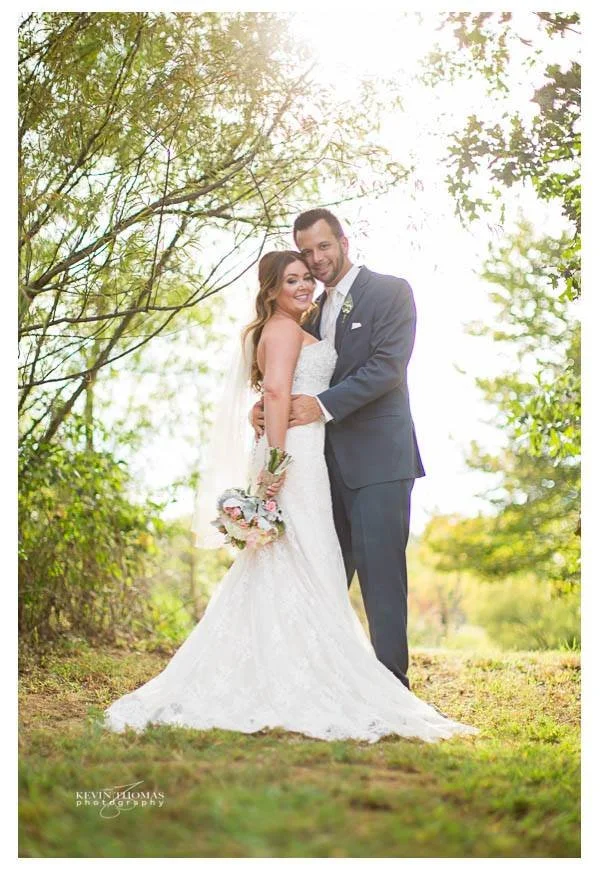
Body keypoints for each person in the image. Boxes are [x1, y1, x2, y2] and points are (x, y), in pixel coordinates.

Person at [102, 250, 478, 743]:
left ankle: (304, 665)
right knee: (303, 559)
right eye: (293, 280)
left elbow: (283, 385)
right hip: (294, 457)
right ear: (272, 290)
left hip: (310, 454)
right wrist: (276, 460)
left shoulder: (304, 320)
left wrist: (267, 419)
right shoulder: (283, 328)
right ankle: (297, 673)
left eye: (307, 277)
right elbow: (277, 392)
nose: (305, 285)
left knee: (303, 561)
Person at [251, 209, 424, 691]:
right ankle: (313, 683)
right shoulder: (309, 309)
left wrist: (321, 406)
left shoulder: (390, 292)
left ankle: (392, 686)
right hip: (319, 466)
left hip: (378, 461)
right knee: (320, 575)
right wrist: (262, 410)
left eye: (323, 247)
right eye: (306, 252)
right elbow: (287, 374)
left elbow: (387, 367)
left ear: (344, 242)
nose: (316, 259)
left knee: (381, 576)